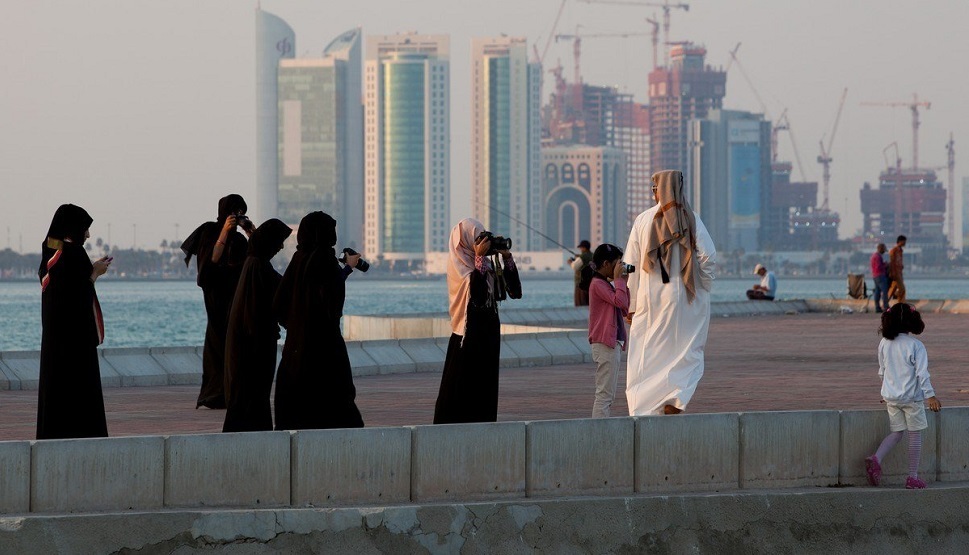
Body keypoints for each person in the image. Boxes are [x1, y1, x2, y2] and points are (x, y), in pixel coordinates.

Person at [623, 170, 717, 415]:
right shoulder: (691, 218)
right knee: (687, 350)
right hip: (687, 301)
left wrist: (631, 304)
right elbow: (708, 257)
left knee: (647, 354)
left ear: (658, 191)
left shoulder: (643, 221)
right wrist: (702, 285)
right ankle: (676, 398)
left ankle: (642, 407)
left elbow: (631, 266)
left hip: (650, 301)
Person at [273, 212, 363, 430]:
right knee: (332, 391)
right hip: (324, 341)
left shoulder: (298, 258)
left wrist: (296, 324)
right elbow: (330, 293)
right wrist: (348, 268)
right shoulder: (324, 258)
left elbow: (281, 300)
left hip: (297, 341)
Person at [433, 218, 523, 424]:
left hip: (488, 333)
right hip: (468, 335)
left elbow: (515, 292)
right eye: (477, 238)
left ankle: (484, 423)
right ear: (464, 242)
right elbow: (478, 297)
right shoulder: (461, 267)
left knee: (486, 383)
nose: (481, 243)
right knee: (462, 384)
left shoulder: (485, 267)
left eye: (483, 238)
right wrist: (480, 259)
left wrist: (507, 257)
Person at [36, 204, 113, 439]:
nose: (88, 234)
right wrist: (94, 273)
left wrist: (91, 272)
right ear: (73, 228)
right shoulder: (73, 254)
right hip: (75, 340)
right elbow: (78, 296)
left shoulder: (52, 254)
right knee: (79, 393)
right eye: (85, 228)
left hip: (56, 339)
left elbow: (65, 293)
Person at [180, 194, 253, 409]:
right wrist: (225, 231)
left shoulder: (240, 240)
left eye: (240, 213)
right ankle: (214, 394)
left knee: (235, 341)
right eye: (234, 212)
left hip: (235, 293)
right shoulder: (210, 231)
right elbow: (211, 259)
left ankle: (232, 391)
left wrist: (251, 233)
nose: (237, 216)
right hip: (215, 294)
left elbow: (254, 258)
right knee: (217, 339)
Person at [222, 219, 292, 433]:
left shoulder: (254, 263)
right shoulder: (259, 267)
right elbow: (284, 291)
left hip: (247, 343)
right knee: (253, 394)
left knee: (248, 395)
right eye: (278, 242)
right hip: (255, 345)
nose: (281, 247)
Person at [865, 303, 941, 489]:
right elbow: (922, 374)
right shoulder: (916, 345)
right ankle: (912, 477)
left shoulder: (884, 343)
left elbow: (883, 371)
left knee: (897, 433)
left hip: (891, 398)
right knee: (915, 435)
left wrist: (886, 391)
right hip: (912, 399)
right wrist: (930, 396)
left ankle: (876, 458)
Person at [580, 243, 629, 418]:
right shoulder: (598, 284)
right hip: (604, 343)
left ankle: (601, 427)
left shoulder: (605, 284)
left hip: (610, 342)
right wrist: (619, 280)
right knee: (604, 395)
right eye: (617, 263)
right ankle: (599, 429)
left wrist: (623, 282)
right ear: (607, 264)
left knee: (608, 394)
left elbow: (624, 308)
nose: (619, 267)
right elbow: (620, 302)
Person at [569, 240, 593, 306]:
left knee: (580, 304)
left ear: (584, 248)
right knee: (589, 304)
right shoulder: (592, 255)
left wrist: (570, 262)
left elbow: (574, 266)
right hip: (590, 284)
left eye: (581, 248)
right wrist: (578, 258)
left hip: (581, 285)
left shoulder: (583, 257)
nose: (580, 249)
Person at [888, 235, 907, 304]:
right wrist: (893, 273)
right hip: (895, 273)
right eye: (904, 241)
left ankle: (885, 301)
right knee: (902, 289)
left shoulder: (900, 251)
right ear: (900, 241)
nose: (905, 243)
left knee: (892, 289)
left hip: (899, 273)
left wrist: (901, 266)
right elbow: (892, 262)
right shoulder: (894, 250)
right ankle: (901, 303)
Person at [870, 243, 889, 312]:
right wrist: (885, 265)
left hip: (875, 276)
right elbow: (878, 267)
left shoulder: (873, 256)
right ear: (881, 249)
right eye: (884, 250)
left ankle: (877, 307)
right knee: (884, 291)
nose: (884, 252)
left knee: (877, 292)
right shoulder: (878, 256)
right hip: (880, 275)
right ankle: (886, 306)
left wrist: (883, 264)